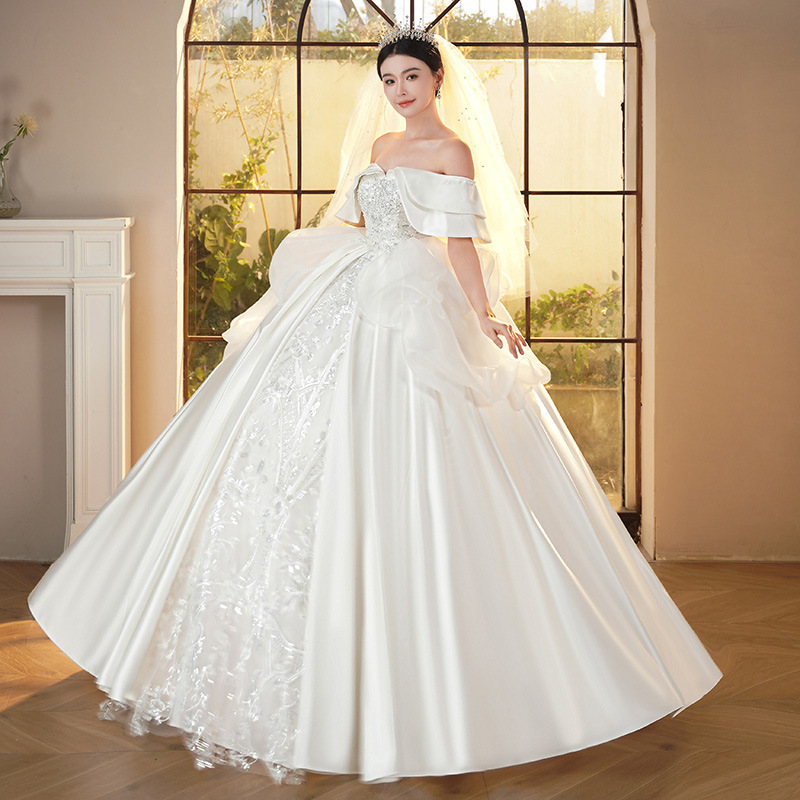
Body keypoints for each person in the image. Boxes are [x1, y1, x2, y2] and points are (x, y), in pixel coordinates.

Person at [27, 22, 722, 786]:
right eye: (389, 80)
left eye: (410, 78)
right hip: (352, 289)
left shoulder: (452, 151)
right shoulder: (384, 145)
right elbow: (361, 220)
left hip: (414, 302)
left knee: (427, 447)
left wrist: (484, 314)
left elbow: (459, 243)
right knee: (290, 446)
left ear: (437, 79)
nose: (398, 92)